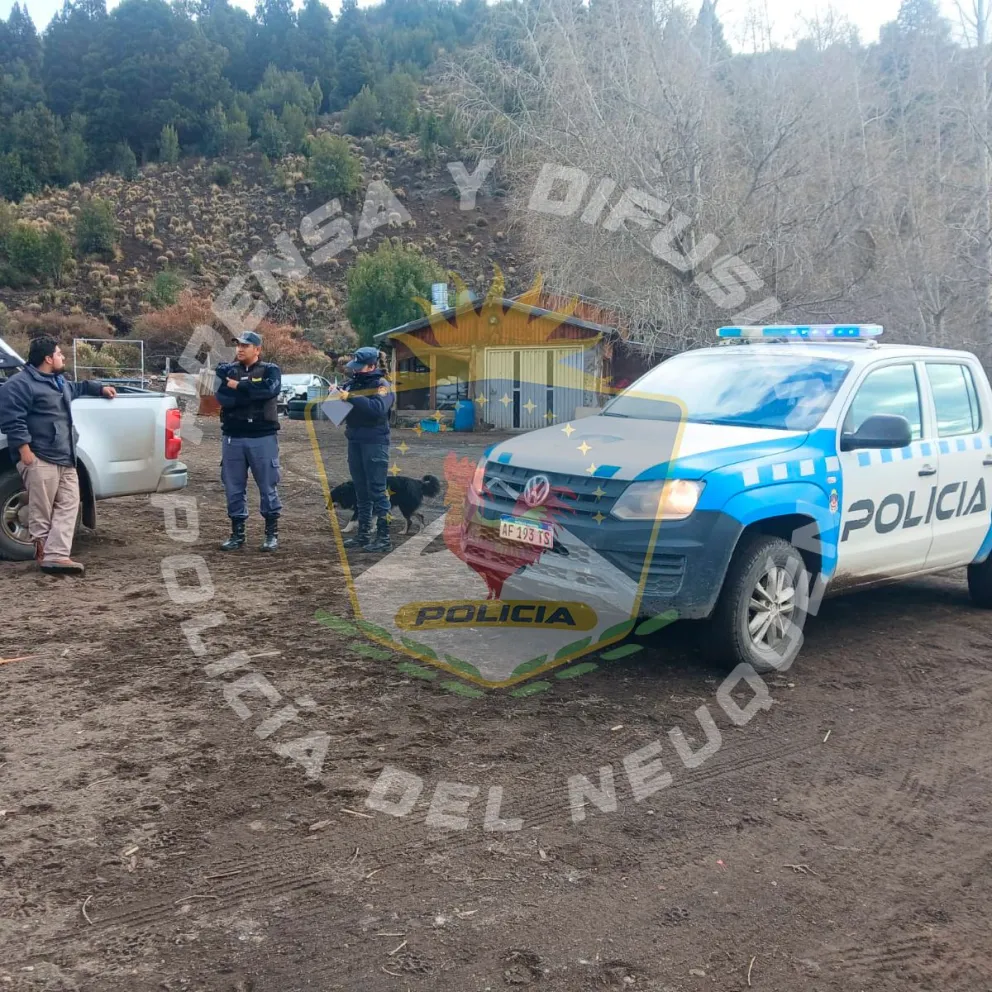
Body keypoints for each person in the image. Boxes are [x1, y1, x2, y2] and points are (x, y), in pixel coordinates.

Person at [0, 335, 116, 574]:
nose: (62, 357)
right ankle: (44, 555)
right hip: (40, 457)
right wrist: (26, 454)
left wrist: (101, 388)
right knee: (41, 510)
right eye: (59, 353)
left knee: (69, 505)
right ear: (48, 358)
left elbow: (79, 387)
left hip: (66, 457)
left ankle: (57, 555)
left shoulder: (58, 382)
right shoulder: (20, 385)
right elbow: (12, 421)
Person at [215, 330, 283, 552]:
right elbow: (223, 398)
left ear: (257, 349)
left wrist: (240, 387)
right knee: (233, 487)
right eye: (238, 345)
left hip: (262, 437)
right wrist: (250, 392)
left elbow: (269, 390)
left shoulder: (270, 370)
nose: (240, 349)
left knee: (267, 486)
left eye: (245, 345)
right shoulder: (229, 371)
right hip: (233, 437)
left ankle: (271, 534)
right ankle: (237, 534)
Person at [338, 345, 394, 553]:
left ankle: (384, 537)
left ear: (371, 366)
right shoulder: (351, 384)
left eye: (359, 366)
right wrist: (335, 398)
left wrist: (351, 397)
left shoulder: (382, 385)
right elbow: (336, 414)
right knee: (361, 491)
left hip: (375, 442)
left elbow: (377, 408)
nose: (355, 370)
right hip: (355, 440)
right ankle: (363, 534)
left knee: (377, 490)